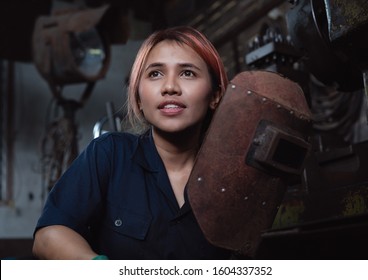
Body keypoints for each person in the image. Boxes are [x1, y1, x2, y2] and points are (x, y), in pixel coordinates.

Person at [32, 26, 231, 260]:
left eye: (187, 73)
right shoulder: (109, 154)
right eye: (155, 74)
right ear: (138, 95)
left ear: (215, 95)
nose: (170, 87)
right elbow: (48, 237)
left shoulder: (231, 178)